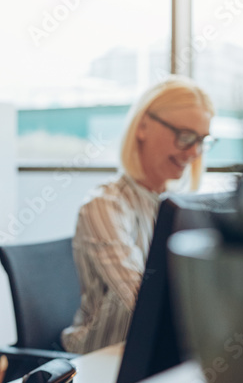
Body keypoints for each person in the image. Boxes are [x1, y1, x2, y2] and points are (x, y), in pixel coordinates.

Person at [61, 76, 215, 354]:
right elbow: (144, 301)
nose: (194, 152)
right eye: (185, 136)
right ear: (143, 126)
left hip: (156, 353)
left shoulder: (178, 206)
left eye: (202, 140)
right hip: (103, 358)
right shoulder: (105, 205)